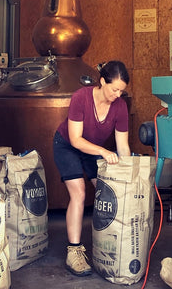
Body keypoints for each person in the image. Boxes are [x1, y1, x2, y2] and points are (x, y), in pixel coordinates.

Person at [53, 60, 131, 276]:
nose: (117, 95)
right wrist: (105, 152)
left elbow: (123, 146)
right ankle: (74, 252)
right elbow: (76, 140)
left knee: (107, 192)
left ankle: (109, 243)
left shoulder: (120, 106)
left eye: (121, 91)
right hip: (68, 145)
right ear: (102, 81)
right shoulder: (81, 97)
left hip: (93, 150)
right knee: (78, 193)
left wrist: (128, 176)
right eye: (114, 89)